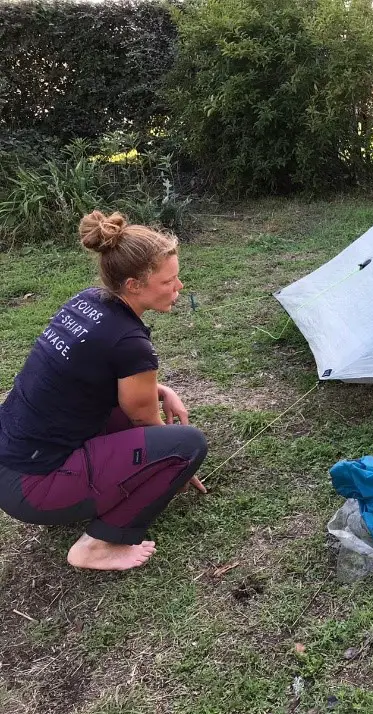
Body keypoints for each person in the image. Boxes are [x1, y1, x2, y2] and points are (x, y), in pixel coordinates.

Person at [0, 211, 207, 570]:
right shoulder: (130, 342)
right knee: (187, 444)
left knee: (130, 417)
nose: (179, 287)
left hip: (12, 459)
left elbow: (82, 372)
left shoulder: (88, 300)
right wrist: (177, 462)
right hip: (34, 489)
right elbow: (143, 418)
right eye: (168, 281)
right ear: (133, 285)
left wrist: (158, 388)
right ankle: (98, 543)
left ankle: (90, 485)